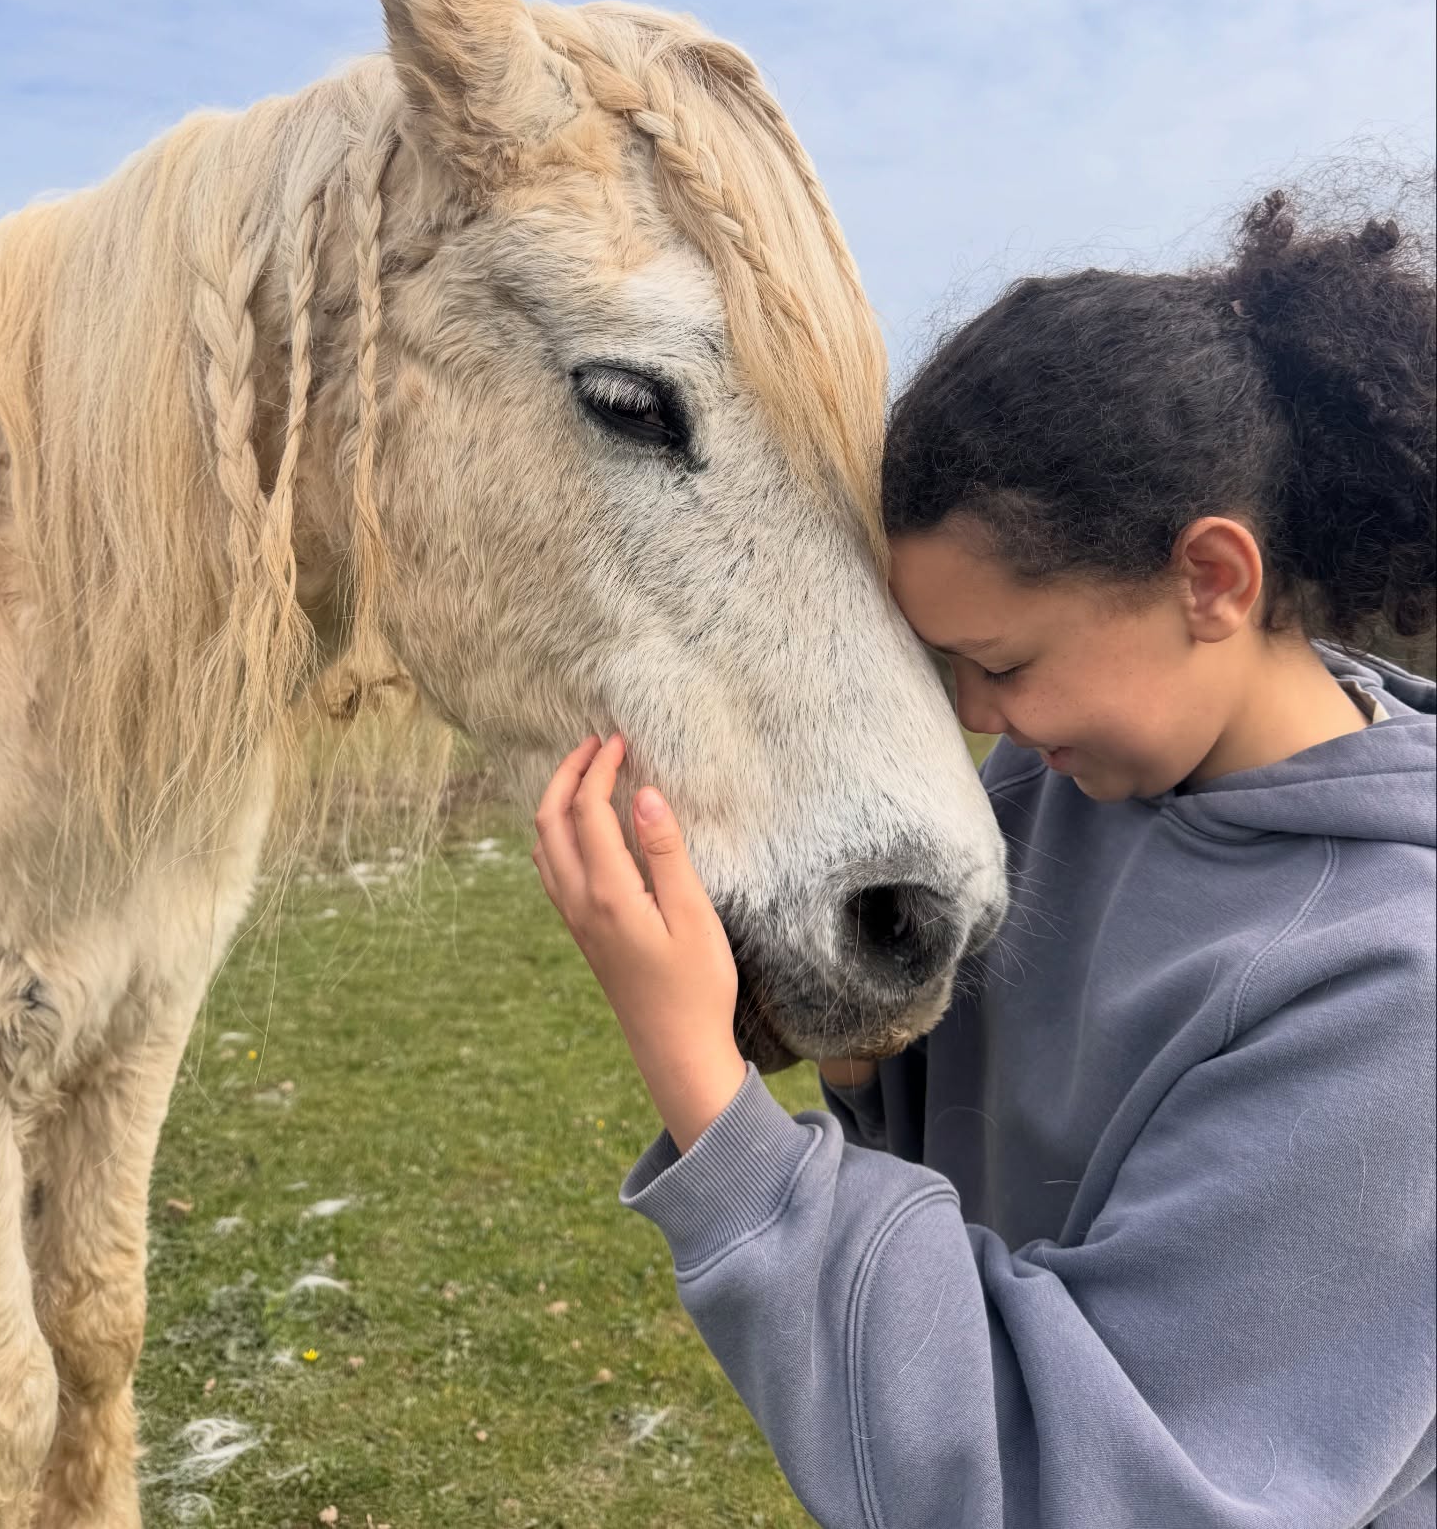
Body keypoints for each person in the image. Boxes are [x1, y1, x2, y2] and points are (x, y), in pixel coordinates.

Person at [531, 187, 1436, 1528]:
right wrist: (845, 1023)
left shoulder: (1393, 997)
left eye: (1002, 662)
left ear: (1214, 580)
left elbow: (1072, 1487)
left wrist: (708, 1096)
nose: (972, 716)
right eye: (943, 665)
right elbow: (956, 1149)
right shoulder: (1060, 780)